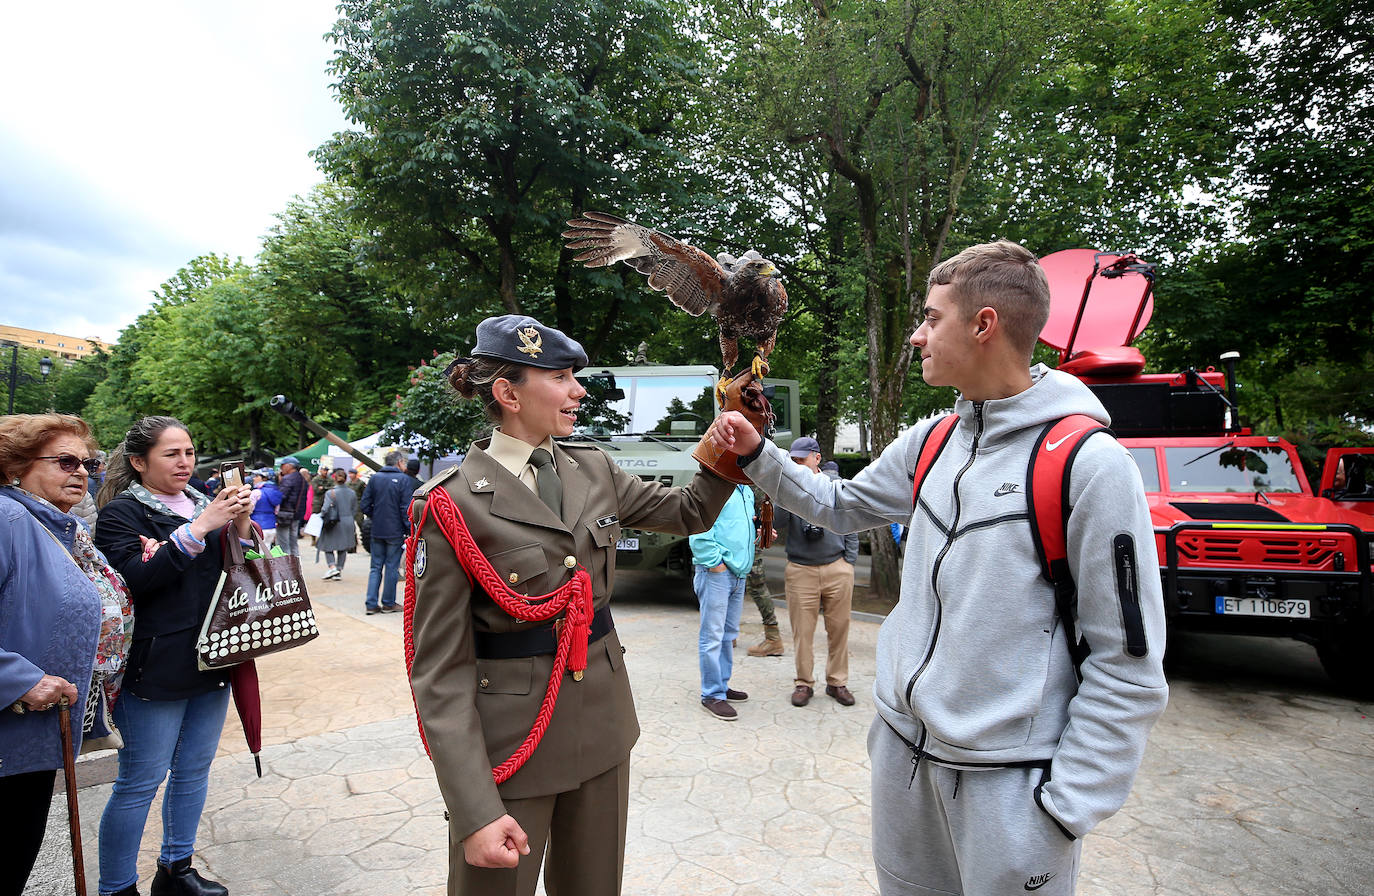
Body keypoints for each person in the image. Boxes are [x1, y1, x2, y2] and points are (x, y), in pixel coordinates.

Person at [710, 240, 1169, 896]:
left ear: (983, 325)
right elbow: (840, 505)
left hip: (1009, 790)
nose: (917, 336)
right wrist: (759, 453)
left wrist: (1061, 812)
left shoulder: (1089, 467)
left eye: (931, 319)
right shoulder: (930, 441)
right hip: (903, 764)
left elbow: (1128, 667)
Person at [407, 314, 735, 896]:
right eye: (559, 377)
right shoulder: (453, 503)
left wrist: (729, 443)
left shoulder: (594, 467)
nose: (578, 390)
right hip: (512, 746)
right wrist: (475, 808)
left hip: (602, 727)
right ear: (508, 393)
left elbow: (688, 511)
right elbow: (439, 671)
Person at [94, 416, 254, 896]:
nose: (185, 462)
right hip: (155, 664)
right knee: (140, 781)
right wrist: (202, 526)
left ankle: (176, 870)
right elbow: (135, 582)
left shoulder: (206, 502)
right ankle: (117, 887)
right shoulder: (122, 514)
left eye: (188, 452)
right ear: (140, 462)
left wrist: (241, 524)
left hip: (214, 655)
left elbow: (237, 572)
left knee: (193, 770)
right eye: (171, 454)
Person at [0, 413, 127, 896]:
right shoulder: (7, 518)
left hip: (33, 737)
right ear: (16, 465)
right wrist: (17, 679)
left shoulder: (56, 524)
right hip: (10, 733)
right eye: (65, 461)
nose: (81, 471)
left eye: (87, 463)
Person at [771, 436, 859, 708]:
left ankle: (837, 682)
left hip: (836, 567)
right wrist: (783, 488)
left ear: (816, 458)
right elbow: (775, 521)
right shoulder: (789, 488)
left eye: (801, 460)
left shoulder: (834, 485)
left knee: (839, 629)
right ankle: (803, 682)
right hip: (800, 570)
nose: (797, 464)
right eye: (793, 461)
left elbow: (852, 522)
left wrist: (849, 562)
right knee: (802, 632)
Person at [690, 483, 755, 721]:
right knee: (713, 636)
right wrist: (715, 564)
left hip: (738, 573)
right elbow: (698, 529)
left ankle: (721, 686)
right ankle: (712, 695)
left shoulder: (745, 490)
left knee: (728, 634)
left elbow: (734, 528)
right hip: (717, 573)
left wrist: (755, 534)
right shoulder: (714, 487)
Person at [360, 450, 416, 614]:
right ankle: (388, 603)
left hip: (377, 529)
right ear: (399, 462)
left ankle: (371, 604)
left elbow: (364, 505)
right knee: (391, 567)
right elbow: (405, 508)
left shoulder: (375, 478)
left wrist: (376, 516)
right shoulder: (403, 480)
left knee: (375, 567)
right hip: (395, 531)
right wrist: (409, 529)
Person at [745, 486, 784, 657]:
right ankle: (728, 633)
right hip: (737, 537)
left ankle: (773, 638)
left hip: (752, 539)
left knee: (756, 585)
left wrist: (762, 529)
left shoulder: (754, 479)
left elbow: (763, 509)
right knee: (735, 582)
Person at [317, 468, 358, 580]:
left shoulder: (330, 493)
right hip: (348, 521)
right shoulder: (352, 492)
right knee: (342, 548)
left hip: (334, 522)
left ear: (334, 479)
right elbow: (355, 509)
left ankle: (332, 567)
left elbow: (325, 509)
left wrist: (320, 516)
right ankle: (339, 570)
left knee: (328, 546)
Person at [274, 456, 309, 557]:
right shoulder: (302, 478)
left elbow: (281, 496)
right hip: (297, 514)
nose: (281, 468)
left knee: (283, 543)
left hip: (285, 514)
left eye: (282, 465)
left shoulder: (288, 478)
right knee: (293, 541)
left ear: (289, 466)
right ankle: (296, 565)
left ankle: (287, 567)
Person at [249, 469, 282, 545]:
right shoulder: (276, 492)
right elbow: (277, 511)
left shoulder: (256, 492)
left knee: (258, 553)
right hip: (271, 526)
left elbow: (249, 510)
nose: (254, 478)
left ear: (264, 478)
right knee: (267, 550)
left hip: (258, 526)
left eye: (257, 476)